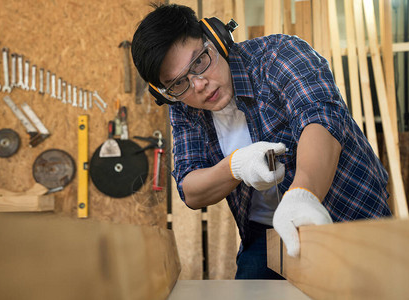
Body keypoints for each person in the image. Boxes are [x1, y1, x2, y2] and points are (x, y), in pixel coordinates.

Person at [131, 3, 392, 280]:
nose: (198, 84)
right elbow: (190, 188)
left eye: (199, 61)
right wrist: (236, 167)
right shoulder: (183, 105)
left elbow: (321, 121)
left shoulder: (279, 55)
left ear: (216, 38)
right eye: (178, 83)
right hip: (265, 233)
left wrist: (303, 194)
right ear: (166, 91)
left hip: (349, 213)